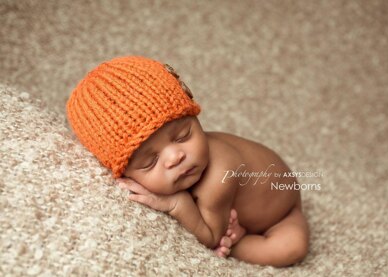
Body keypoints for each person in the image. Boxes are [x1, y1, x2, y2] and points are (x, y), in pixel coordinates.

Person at [66, 56, 309, 267]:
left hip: (282, 212)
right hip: (238, 205)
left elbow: (211, 236)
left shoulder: (219, 174)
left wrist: (177, 204)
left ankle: (238, 242)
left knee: (291, 248)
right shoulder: (185, 162)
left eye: (184, 135)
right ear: (125, 174)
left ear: (194, 117)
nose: (175, 157)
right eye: (150, 162)